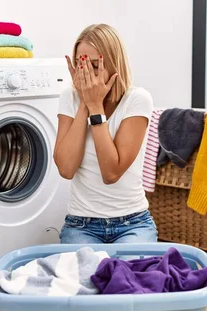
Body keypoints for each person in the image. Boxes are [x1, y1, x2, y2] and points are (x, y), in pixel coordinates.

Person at [54, 23, 157, 244]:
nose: (87, 74)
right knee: (85, 277)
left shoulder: (137, 99)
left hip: (133, 223)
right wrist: (85, 103)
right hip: (81, 225)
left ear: (113, 64)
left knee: (125, 277)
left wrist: (96, 108)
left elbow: (111, 173)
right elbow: (66, 168)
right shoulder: (69, 98)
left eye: (94, 65)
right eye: (81, 66)